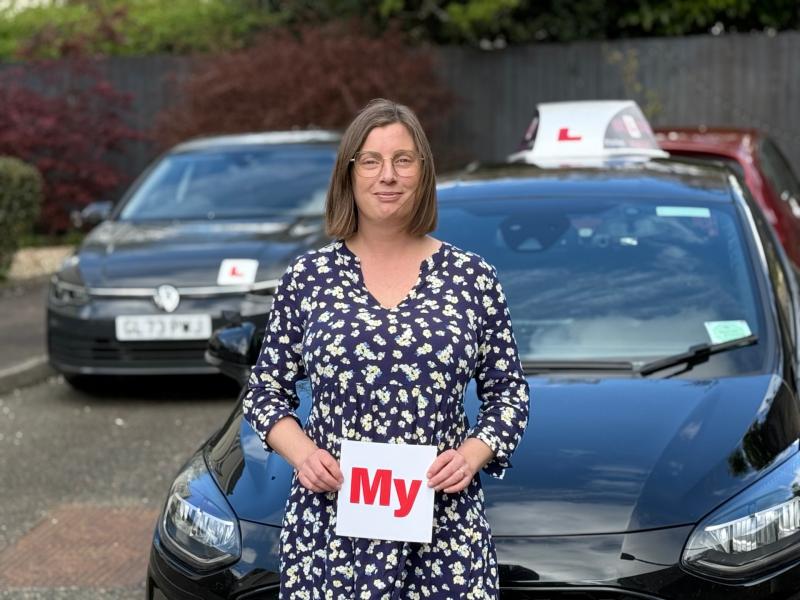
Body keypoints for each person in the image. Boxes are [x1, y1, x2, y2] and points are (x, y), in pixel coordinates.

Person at [243, 98, 530, 599]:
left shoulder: (472, 278)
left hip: (446, 533)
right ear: (349, 174)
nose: (388, 176)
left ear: (423, 172)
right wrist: (304, 455)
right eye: (371, 161)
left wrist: (471, 454)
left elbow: (509, 396)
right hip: (330, 534)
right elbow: (265, 393)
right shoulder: (307, 279)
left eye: (403, 160)